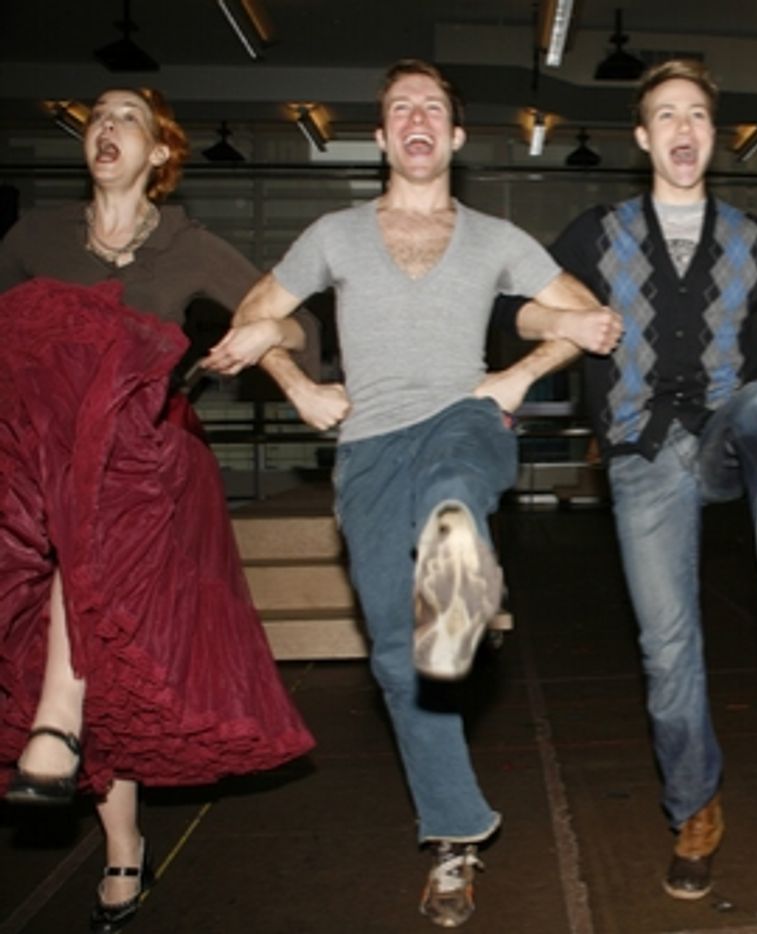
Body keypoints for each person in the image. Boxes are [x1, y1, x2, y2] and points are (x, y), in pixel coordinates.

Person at [211, 59, 621, 928]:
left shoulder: (496, 238)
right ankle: (455, 833)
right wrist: (298, 385)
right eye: (401, 108)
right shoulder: (335, 233)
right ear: (383, 136)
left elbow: (586, 314)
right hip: (367, 447)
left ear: (455, 136)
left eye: (432, 106)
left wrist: (521, 373)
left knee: (454, 485)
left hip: (460, 417)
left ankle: (462, 566)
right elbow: (253, 313)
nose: (416, 118)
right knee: (400, 661)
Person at [498, 59, 757, 900]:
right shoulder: (597, 232)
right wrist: (566, 317)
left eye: (697, 114)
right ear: (643, 137)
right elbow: (514, 308)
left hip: (728, 433)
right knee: (667, 648)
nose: (683, 128)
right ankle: (695, 806)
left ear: (713, 135)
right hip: (642, 455)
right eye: (666, 115)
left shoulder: (755, 236)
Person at [0, 87, 316, 933]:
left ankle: (58, 723)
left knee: (94, 522)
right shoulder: (32, 239)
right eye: (97, 118)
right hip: (38, 469)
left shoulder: (189, 246)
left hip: (150, 467)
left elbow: (297, 327)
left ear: (161, 154)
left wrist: (266, 338)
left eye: (128, 119)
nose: (107, 127)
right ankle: (123, 843)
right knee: (104, 655)